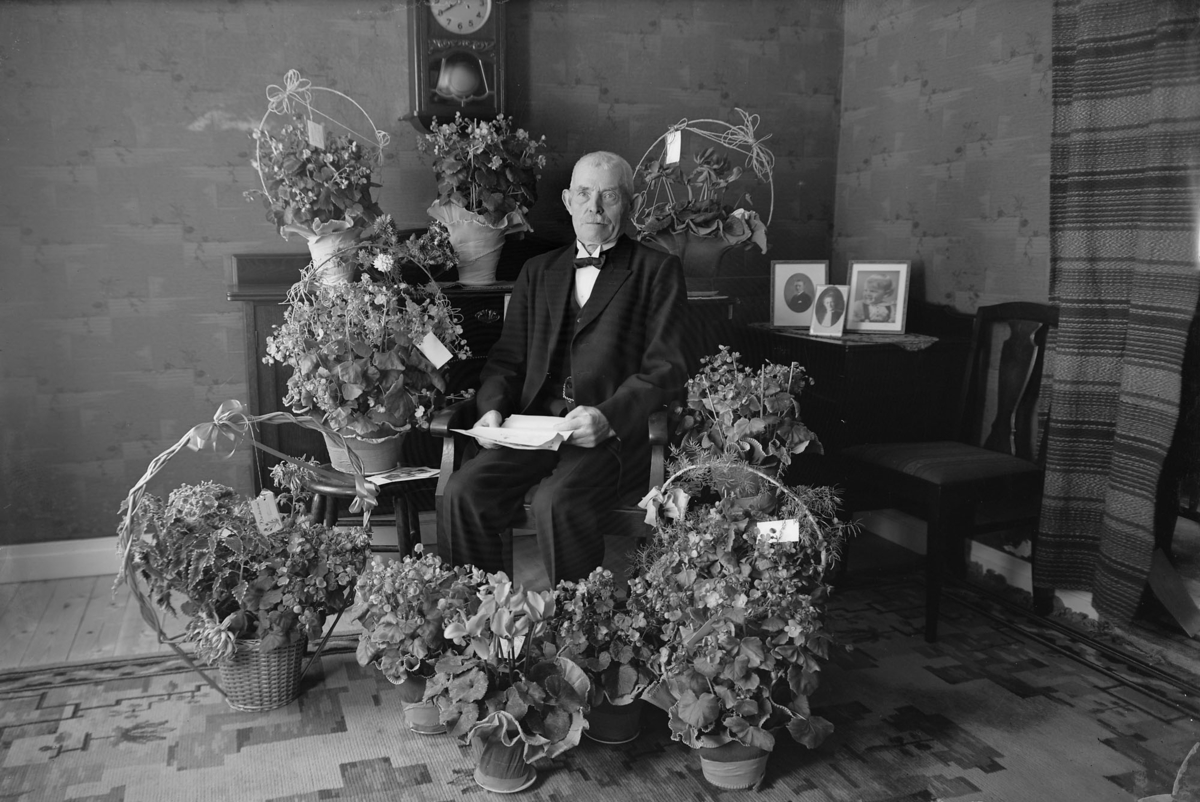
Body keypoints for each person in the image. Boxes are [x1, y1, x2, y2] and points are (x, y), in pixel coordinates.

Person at [441, 151, 689, 585]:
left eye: (609, 196)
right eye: (584, 194)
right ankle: (480, 615)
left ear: (629, 205)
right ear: (567, 200)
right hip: (531, 429)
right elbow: (506, 360)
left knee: (555, 501)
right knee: (463, 491)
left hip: (605, 438)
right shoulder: (537, 271)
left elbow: (665, 369)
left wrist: (608, 417)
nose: (594, 207)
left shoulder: (658, 270)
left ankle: (578, 621)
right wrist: (492, 408)